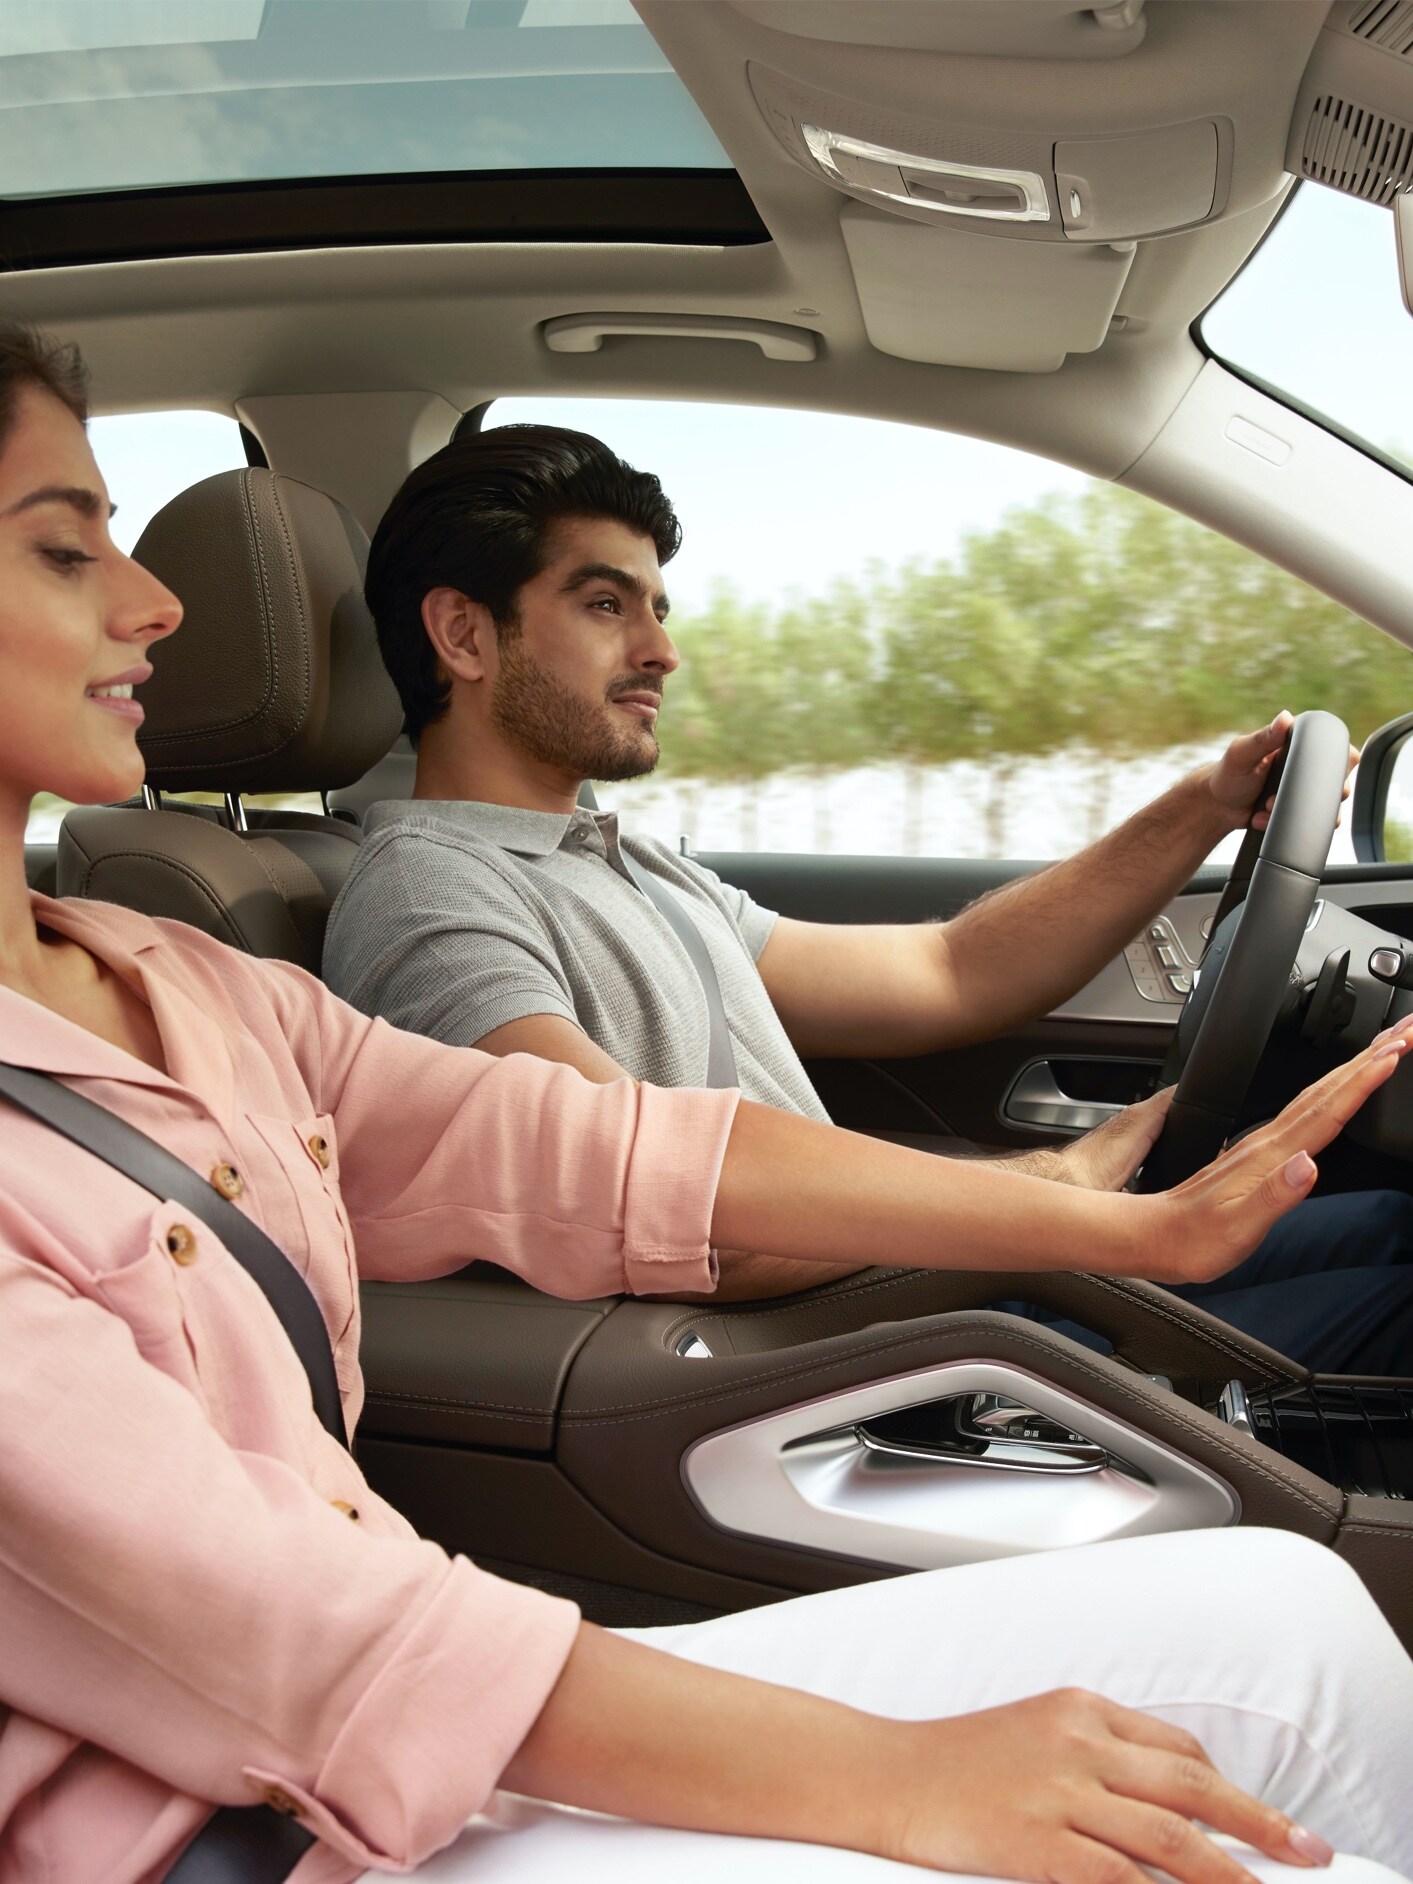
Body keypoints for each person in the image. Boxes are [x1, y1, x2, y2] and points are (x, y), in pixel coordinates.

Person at [4, 319, 1413, 1884]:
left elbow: (608, 1150)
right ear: (462, 638)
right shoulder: (426, 898)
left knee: (1291, 1620)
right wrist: (896, 1778)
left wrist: (1100, 1210)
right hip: (261, 1821)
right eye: (67, 550)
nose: (157, 605)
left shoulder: (189, 981)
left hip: (431, 1710)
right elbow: (295, 1624)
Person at [324, 425, 1413, 1368]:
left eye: (656, 607)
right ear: (464, 635)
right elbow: (652, 1198)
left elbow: (949, 974)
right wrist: (1055, 1186)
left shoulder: (622, 861)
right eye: (606, 603)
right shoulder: (431, 897)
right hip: (834, 1367)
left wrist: (1200, 810)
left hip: (905, 1299)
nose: (663, 650)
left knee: (1393, 1227)